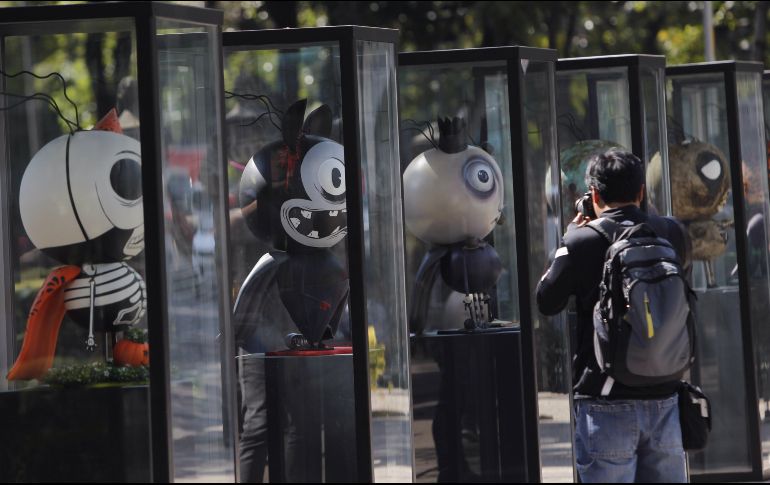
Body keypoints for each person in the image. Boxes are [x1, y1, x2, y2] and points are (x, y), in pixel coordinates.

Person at [536, 149, 691, 483]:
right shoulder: (671, 233)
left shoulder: (579, 240)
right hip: (665, 397)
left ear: (593, 195)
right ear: (641, 192)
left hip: (605, 401)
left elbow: (546, 301)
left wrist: (567, 240)